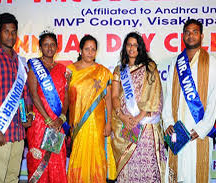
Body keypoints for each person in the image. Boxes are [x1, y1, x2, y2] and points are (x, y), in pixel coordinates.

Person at [162, 19, 216, 183]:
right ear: (183, 36)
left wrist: (202, 128)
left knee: (196, 174)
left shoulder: (211, 62)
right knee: (176, 173)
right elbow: (169, 96)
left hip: (198, 130)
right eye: (187, 32)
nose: (191, 35)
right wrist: (167, 122)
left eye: (195, 32)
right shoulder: (176, 62)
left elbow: (214, 100)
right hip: (177, 130)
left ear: (201, 36)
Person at [0, 13, 32, 182]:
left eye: (13, 32)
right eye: (6, 31)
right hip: (0, 130)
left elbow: (23, 95)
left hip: (18, 132)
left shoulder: (20, 62)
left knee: (12, 177)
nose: (10, 36)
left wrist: (25, 117)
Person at [111, 32, 166, 182]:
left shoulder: (149, 67)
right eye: (129, 44)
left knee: (147, 168)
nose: (132, 48)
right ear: (125, 47)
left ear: (140, 47)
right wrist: (122, 116)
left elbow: (154, 96)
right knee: (128, 168)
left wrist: (138, 118)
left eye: (135, 45)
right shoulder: (118, 70)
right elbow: (114, 96)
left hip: (145, 126)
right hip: (126, 125)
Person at [66, 35, 117, 183]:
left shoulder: (103, 72)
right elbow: (66, 98)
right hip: (77, 123)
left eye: (93, 49)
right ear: (80, 50)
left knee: (96, 155)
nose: (90, 52)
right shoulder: (70, 71)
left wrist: (109, 124)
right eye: (87, 49)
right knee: (79, 154)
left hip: (97, 123)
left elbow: (108, 98)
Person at [26, 31, 68, 183]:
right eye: (46, 44)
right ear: (40, 47)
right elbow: (33, 95)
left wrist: (61, 118)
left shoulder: (63, 70)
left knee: (57, 164)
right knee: (38, 164)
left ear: (57, 47)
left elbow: (66, 96)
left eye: (52, 44)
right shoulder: (34, 66)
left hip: (57, 125)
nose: (49, 47)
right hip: (39, 124)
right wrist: (48, 119)